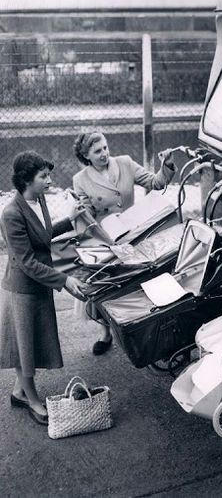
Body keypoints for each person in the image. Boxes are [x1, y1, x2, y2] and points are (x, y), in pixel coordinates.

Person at [0, 151, 88, 425]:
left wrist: (71, 219)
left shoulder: (39, 200)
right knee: (24, 346)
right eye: (43, 177)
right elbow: (25, 262)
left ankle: (19, 392)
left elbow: (44, 235)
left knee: (29, 342)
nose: (50, 181)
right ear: (26, 180)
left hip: (41, 283)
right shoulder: (11, 214)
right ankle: (32, 400)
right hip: (24, 288)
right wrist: (66, 280)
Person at [72, 131, 176, 355]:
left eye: (106, 148)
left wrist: (165, 165)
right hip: (106, 237)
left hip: (135, 232)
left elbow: (154, 182)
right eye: (97, 151)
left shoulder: (125, 162)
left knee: (144, 279)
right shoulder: (80, 180)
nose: (104, 154)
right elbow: (86, 217)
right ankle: (106, 332)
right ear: (86, 155)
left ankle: (148, 327)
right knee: (105, 285)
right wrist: (80, 213)